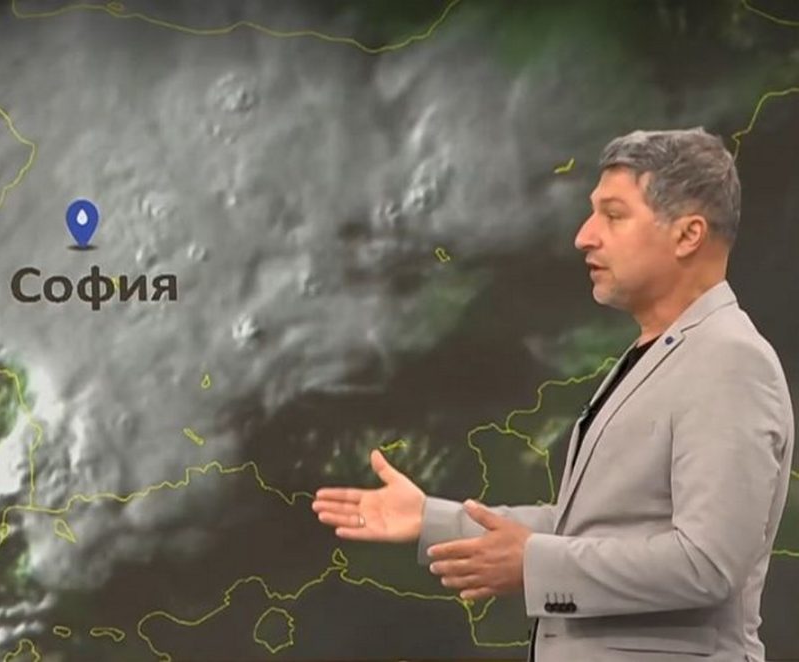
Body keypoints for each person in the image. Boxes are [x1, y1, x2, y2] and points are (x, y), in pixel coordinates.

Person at [313, 127, 794, 662]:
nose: (584, 236)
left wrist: (535, 566)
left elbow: (707, 564)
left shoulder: (729, 362)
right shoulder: (661, 354)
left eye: (613, 215)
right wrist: (431, 518)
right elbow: (588, 527)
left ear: (688, 236)